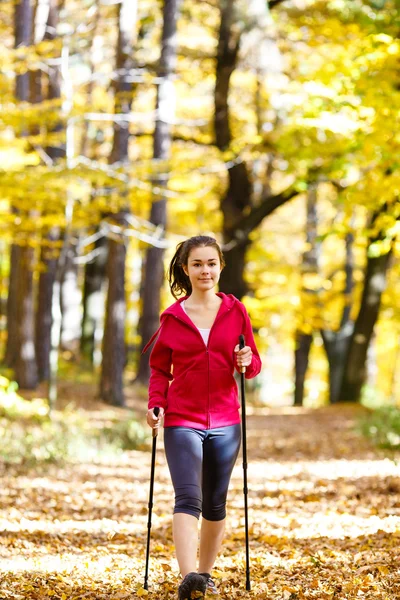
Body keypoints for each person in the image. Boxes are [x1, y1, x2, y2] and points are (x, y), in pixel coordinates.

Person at [144, 235, 261, 599]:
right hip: (182, 420)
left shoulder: (236, 311)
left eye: (211, 263)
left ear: (220, 267)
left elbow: (253, 363)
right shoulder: (173, 317)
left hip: (226, 421)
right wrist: (155, 403)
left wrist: (246, 362)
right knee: (188, 498)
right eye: (197, 264)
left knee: (214, 501)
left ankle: (204, 575)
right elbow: (159, 369)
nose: (204, 270)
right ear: (186, 268)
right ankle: (188, 577)